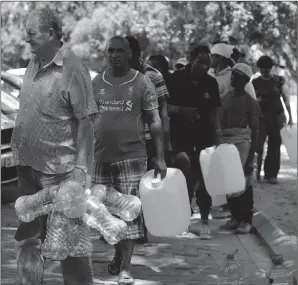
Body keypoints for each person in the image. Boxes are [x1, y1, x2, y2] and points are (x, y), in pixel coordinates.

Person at [10, 8, 98, 285]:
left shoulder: (72, 69)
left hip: (60, 175)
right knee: (27, 238)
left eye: (31, 33)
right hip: (27, 168)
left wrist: (81, 172)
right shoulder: (33, 64)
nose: (26, 38)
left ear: (51, 34)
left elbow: (86, 122)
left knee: (70, 246)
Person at [92, 36, 167, 285]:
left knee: (130, 213)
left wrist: (160, 157)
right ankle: (117, 254)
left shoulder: (142, 81)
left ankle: (126, 267)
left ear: (128, 54)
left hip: (132, 157)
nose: (113, 55)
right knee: (108, 214)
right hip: (101, 158)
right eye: (109, 51)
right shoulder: (96, 82)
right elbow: (86, 121)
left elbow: (155, 121)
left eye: (119, 51)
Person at [167, 45, 222, 239]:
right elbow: (162, 106)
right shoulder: (175, 79)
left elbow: (215, 113)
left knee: (204, 181)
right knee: (185, 178)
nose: (204, 67)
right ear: (191, 59)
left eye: (208, 64)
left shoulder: (211, 83)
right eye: (200, 63)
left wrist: (218, 139)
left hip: (204, 138)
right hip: (180, 137)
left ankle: (205, 222)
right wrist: (180, 111)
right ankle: (184, 219)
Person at [125, 36, 171, 244]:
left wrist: (165, 144)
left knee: (143, 184)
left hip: (148, 139)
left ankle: (141, 228)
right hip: (123, 141)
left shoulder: (153, 76)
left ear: (136, 55)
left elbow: (163, 110)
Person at [218, 63, 262, 234]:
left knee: (244, 182)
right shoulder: (225, 98)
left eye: (236, 75)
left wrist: (251, 157)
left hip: (242, 143)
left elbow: (255, 130)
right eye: (232, 75)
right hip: (227, 142)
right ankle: (235, 217)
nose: (232, 78)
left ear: (244, 80)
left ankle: (246, 220)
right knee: (229, 183)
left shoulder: (250, 102)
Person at [252, 55, 293, 184]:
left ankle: (271, 174)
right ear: (259, 68)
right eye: (262, 69)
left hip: (276, 116)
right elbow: (250, 100)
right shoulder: (255, 82)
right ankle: (256, 173)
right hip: (261, 117)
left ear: (271, 68)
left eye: (267, 69)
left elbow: (286, 98)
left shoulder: (279, 80)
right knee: (258, 146)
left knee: (274, 146)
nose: (264, 71)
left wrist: (290, 116)